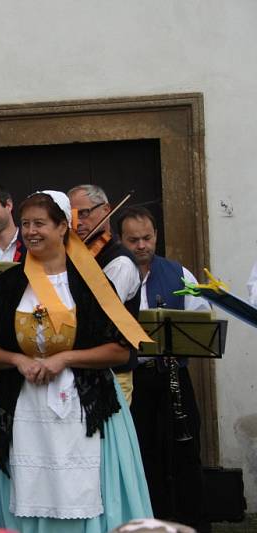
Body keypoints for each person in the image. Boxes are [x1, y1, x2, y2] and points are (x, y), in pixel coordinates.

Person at [0, 191, 152, 532]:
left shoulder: (91, 285)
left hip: (84, 405)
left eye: (40, 223)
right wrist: (17, 359)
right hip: (25, 407)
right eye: (25, 224)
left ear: (62, 228)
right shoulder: (10, 284)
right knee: (32, 488)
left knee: (83, 493)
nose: (30, 231)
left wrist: (66, 358)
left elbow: (120, 351)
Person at [119, 206, 211, 532]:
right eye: (133, 240)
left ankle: (193, 524)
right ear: (122, 240)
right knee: (145, 458)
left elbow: (201, 319)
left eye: (147, 238)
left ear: (156, 236)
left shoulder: (179, 273)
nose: (142, 245)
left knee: (187, 454)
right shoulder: (113, 279)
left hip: (173, 377)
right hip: (135, 380)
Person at [68, 184, 142, 402]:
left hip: (113, 373)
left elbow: (101, 316)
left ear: (106, 210)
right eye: (72, 216)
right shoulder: (75, 254)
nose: (78, 222)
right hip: (83, 370)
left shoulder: (119, 262)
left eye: (84, 213)